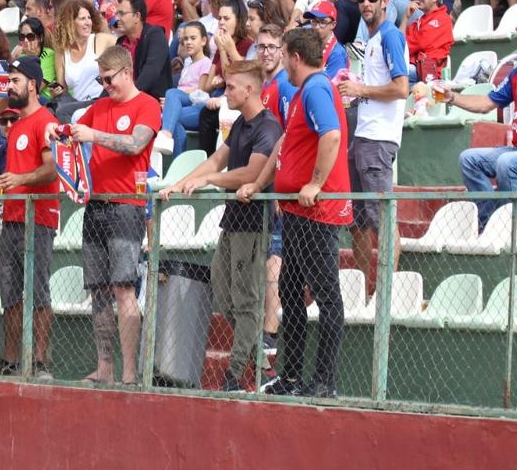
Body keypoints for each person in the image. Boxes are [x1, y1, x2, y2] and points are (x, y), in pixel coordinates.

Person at [238, 27, 350, 399]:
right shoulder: (304, 93)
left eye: (283, 54)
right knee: (289, 289)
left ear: (295, 57)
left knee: (326, 295)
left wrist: (316, 183)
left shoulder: (316, 88)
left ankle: (324, 381)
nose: (281, 61)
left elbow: (330, 136)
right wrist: (258, 183)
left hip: (316, 211)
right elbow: (285, 145)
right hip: (297, 213)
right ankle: (291, 376)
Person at [164, 59, 282, 392]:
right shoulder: (243, 124)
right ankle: (263, 368)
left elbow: (251, 174)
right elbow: (216, 160)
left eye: (231, 86)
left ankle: (234, 376)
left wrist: (211, 180)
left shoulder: (267, 126)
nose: (225, 90)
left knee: (245, 302)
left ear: (249, 89)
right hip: (233, 219)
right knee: (225, 292)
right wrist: (178, 183)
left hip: (253, 223)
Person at [56, 45, 158, 386]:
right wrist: (57, 133)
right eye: (100, 80)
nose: (105, 85)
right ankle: (105, 368)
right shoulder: (99, 106)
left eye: (109, 78)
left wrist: (94, 135)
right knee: (98, 290)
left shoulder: (147, 105)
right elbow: (72, 133)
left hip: (127, 204)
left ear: (127, 72)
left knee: (124, 288)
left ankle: (130, 371)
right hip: (95, 203)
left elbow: (135, 144)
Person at [0, 57, 59, 379]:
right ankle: (12, 359)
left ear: (32, 84)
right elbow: (14, 177)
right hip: (12, 216)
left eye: (14, 80)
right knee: (10, 292)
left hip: (39, 218)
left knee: (38, 290)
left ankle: (40, 362)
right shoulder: (15, 126)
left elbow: (53, 169)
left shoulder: (46, 121)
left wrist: (19, 179)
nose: (9, 85)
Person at [451, 5, 517, 230]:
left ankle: (514, 231)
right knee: (468, 159)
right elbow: (487, 103)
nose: (516, 28)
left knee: (507, 163)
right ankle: (490, 223)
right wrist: (451, 98)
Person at [337, 0, 408, 285]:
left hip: (379, 138)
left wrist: (361, 91)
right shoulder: (372, 38)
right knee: (357, 222)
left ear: (385, 1)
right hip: (363, 135)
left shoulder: (391, 35)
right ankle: (367, 290)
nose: (365, 4)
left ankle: (386, 294)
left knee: (382, 218)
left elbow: (401, 88)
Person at [406, 0, 454, 80]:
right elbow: (402, 41)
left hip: (431, 74)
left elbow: (418, 43)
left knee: (396, 72)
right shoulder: (419, 20)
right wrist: (406, 17)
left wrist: (403, 46)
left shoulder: (442, 19)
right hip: (416, 68)